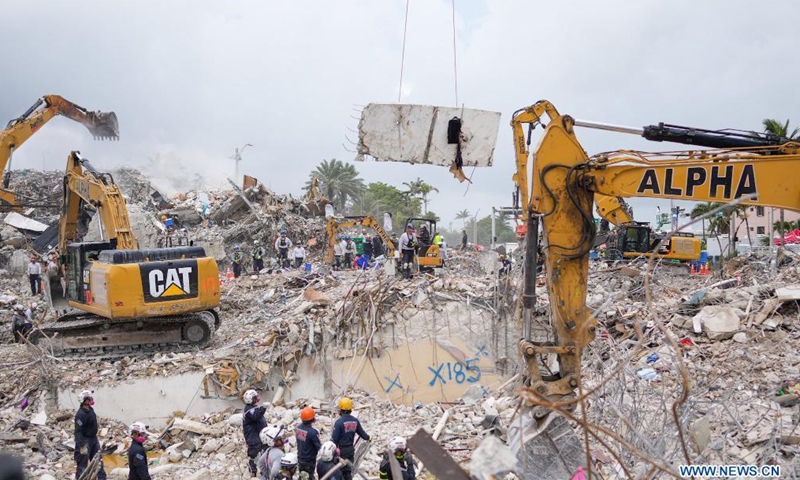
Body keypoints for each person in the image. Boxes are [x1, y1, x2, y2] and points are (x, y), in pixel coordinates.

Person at [331, 397, 370, 480]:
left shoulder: (339, 423)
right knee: (348, 472)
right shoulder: (355, 421)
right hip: (350, 450)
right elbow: (364, 435)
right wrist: (369, 438)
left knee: (339, 471)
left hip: (340, 451)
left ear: (341, 410)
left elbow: (334, 440)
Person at [74, 390, 107, 479]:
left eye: (90, 398)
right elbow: (78, 431)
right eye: (87, 399)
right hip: (85, 440)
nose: (89, 400)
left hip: (94, 439)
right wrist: (82, 446)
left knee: (98, 462)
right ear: (83, 400)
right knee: (82, 465)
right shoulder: (80, 415)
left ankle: (102, 478)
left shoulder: (91, 410)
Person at [243, 389, 268, 476]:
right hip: (253, 437)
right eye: (255, 397)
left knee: (263, 451)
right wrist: (263, 408)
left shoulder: (252, 408)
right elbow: (255, 416)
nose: (257, 399)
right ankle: (253, 470)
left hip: (257, 435)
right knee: (254, 454)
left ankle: (262, 470)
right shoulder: (249, 410)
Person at [296, 407, 321, 479]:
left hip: (300, 459)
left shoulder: (298, 428)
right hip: (309, 461)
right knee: (308, 477)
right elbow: (319, 446)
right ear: (312, 419)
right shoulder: (312, 432)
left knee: (302, 476)